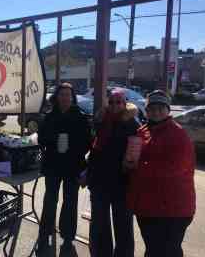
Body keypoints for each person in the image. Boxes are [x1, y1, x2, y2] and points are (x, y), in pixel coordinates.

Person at [126, 90, 196, 257]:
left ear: (168, 110)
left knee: (168, 251)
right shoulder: (143, 131)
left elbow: (175, 168)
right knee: (153, 249)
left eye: (160, 108)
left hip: (172, 209)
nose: (156, 112)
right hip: (147, 206)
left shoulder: (178, 134)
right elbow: (134, 159)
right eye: (152, 108)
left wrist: (138, 167)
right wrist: (127, 163)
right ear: (147, 110)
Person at [37, 82, 91, 251]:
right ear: (57, 97)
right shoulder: (49, 116)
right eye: (62, 94)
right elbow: (41, 139)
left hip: (73, 165)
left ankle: (68, 235)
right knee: (50, 200)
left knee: (70, 201)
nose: (65, 97)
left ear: (72, 97)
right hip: (53, 164)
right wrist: (53, 140)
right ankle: (45, 230)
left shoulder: (81, 117)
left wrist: (72, 146)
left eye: (68, 94)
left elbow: (88, 143)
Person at [88, 89, 139, 257]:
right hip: (99, 181)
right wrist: (87, 173)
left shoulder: (132, 123)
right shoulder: (101, 120)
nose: (115, 105)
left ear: (125, 104)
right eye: (111, 102)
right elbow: (93, 149)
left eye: (119, 102)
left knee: (123, 226)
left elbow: (137, 150)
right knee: (100, 224)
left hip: (122, 183)